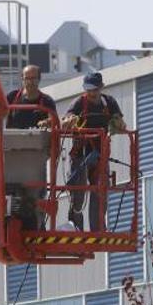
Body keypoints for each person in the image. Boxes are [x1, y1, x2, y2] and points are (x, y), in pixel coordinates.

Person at [63, 72, 126, 231]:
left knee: (100, 189)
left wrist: (119, 123)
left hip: (100, 153)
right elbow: (68, 117)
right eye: (88, 89)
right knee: (78, 193)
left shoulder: (108, 102)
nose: (91, 93)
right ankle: (76, 227)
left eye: (94, 89)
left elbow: (119, 121)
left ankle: (97, 228)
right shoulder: (79, 103)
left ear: (101, 87)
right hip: (80, 154)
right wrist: (69, 121)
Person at [5, 65, 57, 129]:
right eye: (27, 78)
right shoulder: (12, 97)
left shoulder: (47, 101)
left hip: (37, 138)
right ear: (22, 79)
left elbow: (54, 121)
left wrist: (48, 122)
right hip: (13, 138)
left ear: (39, 79)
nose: (30, 82)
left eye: (33, 78)